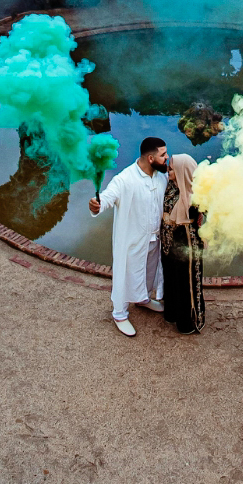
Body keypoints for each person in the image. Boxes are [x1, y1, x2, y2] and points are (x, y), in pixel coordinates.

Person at [89, 136, 169, 336]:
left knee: (149, 272)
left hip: (154, 239)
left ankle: (143, 298)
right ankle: (119, 313)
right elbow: (108, 197)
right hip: (132, 241)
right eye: (163, 155)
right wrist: (97, 205)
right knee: (126, 274)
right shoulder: (124, 179)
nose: (167, 158)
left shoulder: (161, 176)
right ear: (150, 158)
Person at [160, 151, 205, 334]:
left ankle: (188, 322)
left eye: (172, 169)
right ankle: (171, 313)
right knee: (170, 278)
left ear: (182, 171)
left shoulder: (196, 198)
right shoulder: (171, 187)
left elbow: (205, 215)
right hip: (169, 244)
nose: (168, 171)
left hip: (186, 244)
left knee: (186, 282)